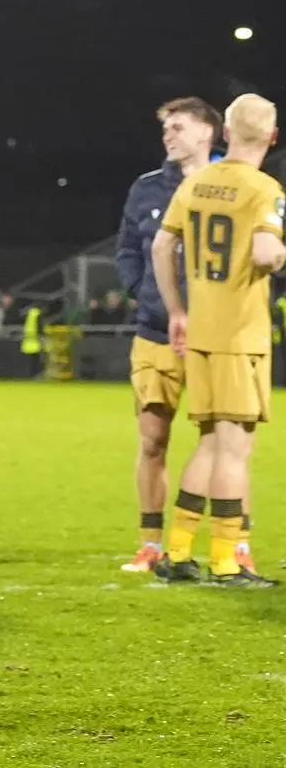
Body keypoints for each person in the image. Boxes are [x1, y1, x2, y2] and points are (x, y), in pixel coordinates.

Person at [151, 93, 285, 587]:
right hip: (239, 335)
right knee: (234, 450)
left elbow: (162, 244)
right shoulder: (264, 188)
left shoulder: (197, 182)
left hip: (202, 330)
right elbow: (268, 253)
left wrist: (177, 310)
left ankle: (179, 553)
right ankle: (226, 561)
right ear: (271, 138)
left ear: (226, 133)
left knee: (209, 442)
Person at [113, 97, 248, 573]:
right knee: (153, 439)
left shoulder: (233, 186)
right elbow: (128, 249)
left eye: (178, 127)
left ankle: (236, 541)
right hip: (156, 332)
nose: (168, 135)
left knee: (227, 439)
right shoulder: (147, 189)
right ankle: (151, 541)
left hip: (218, 335)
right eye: (165, 128)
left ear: (207, 133)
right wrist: (144, 294)